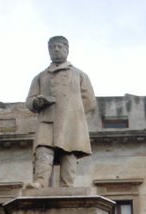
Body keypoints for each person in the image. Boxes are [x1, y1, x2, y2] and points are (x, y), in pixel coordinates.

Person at [26, 36, 96, 188]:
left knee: (69, 152)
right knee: (43, 149)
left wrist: (73, 113)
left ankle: (67, 185)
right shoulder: (40, 77)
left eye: (59, 46)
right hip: (47, 120)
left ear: (67, 49)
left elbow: (89, 100)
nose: (56, 50)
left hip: (71, 121)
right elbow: (29, 101)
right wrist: (37, 102)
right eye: (52, 47)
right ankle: (40, 182)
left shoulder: (79, 75)